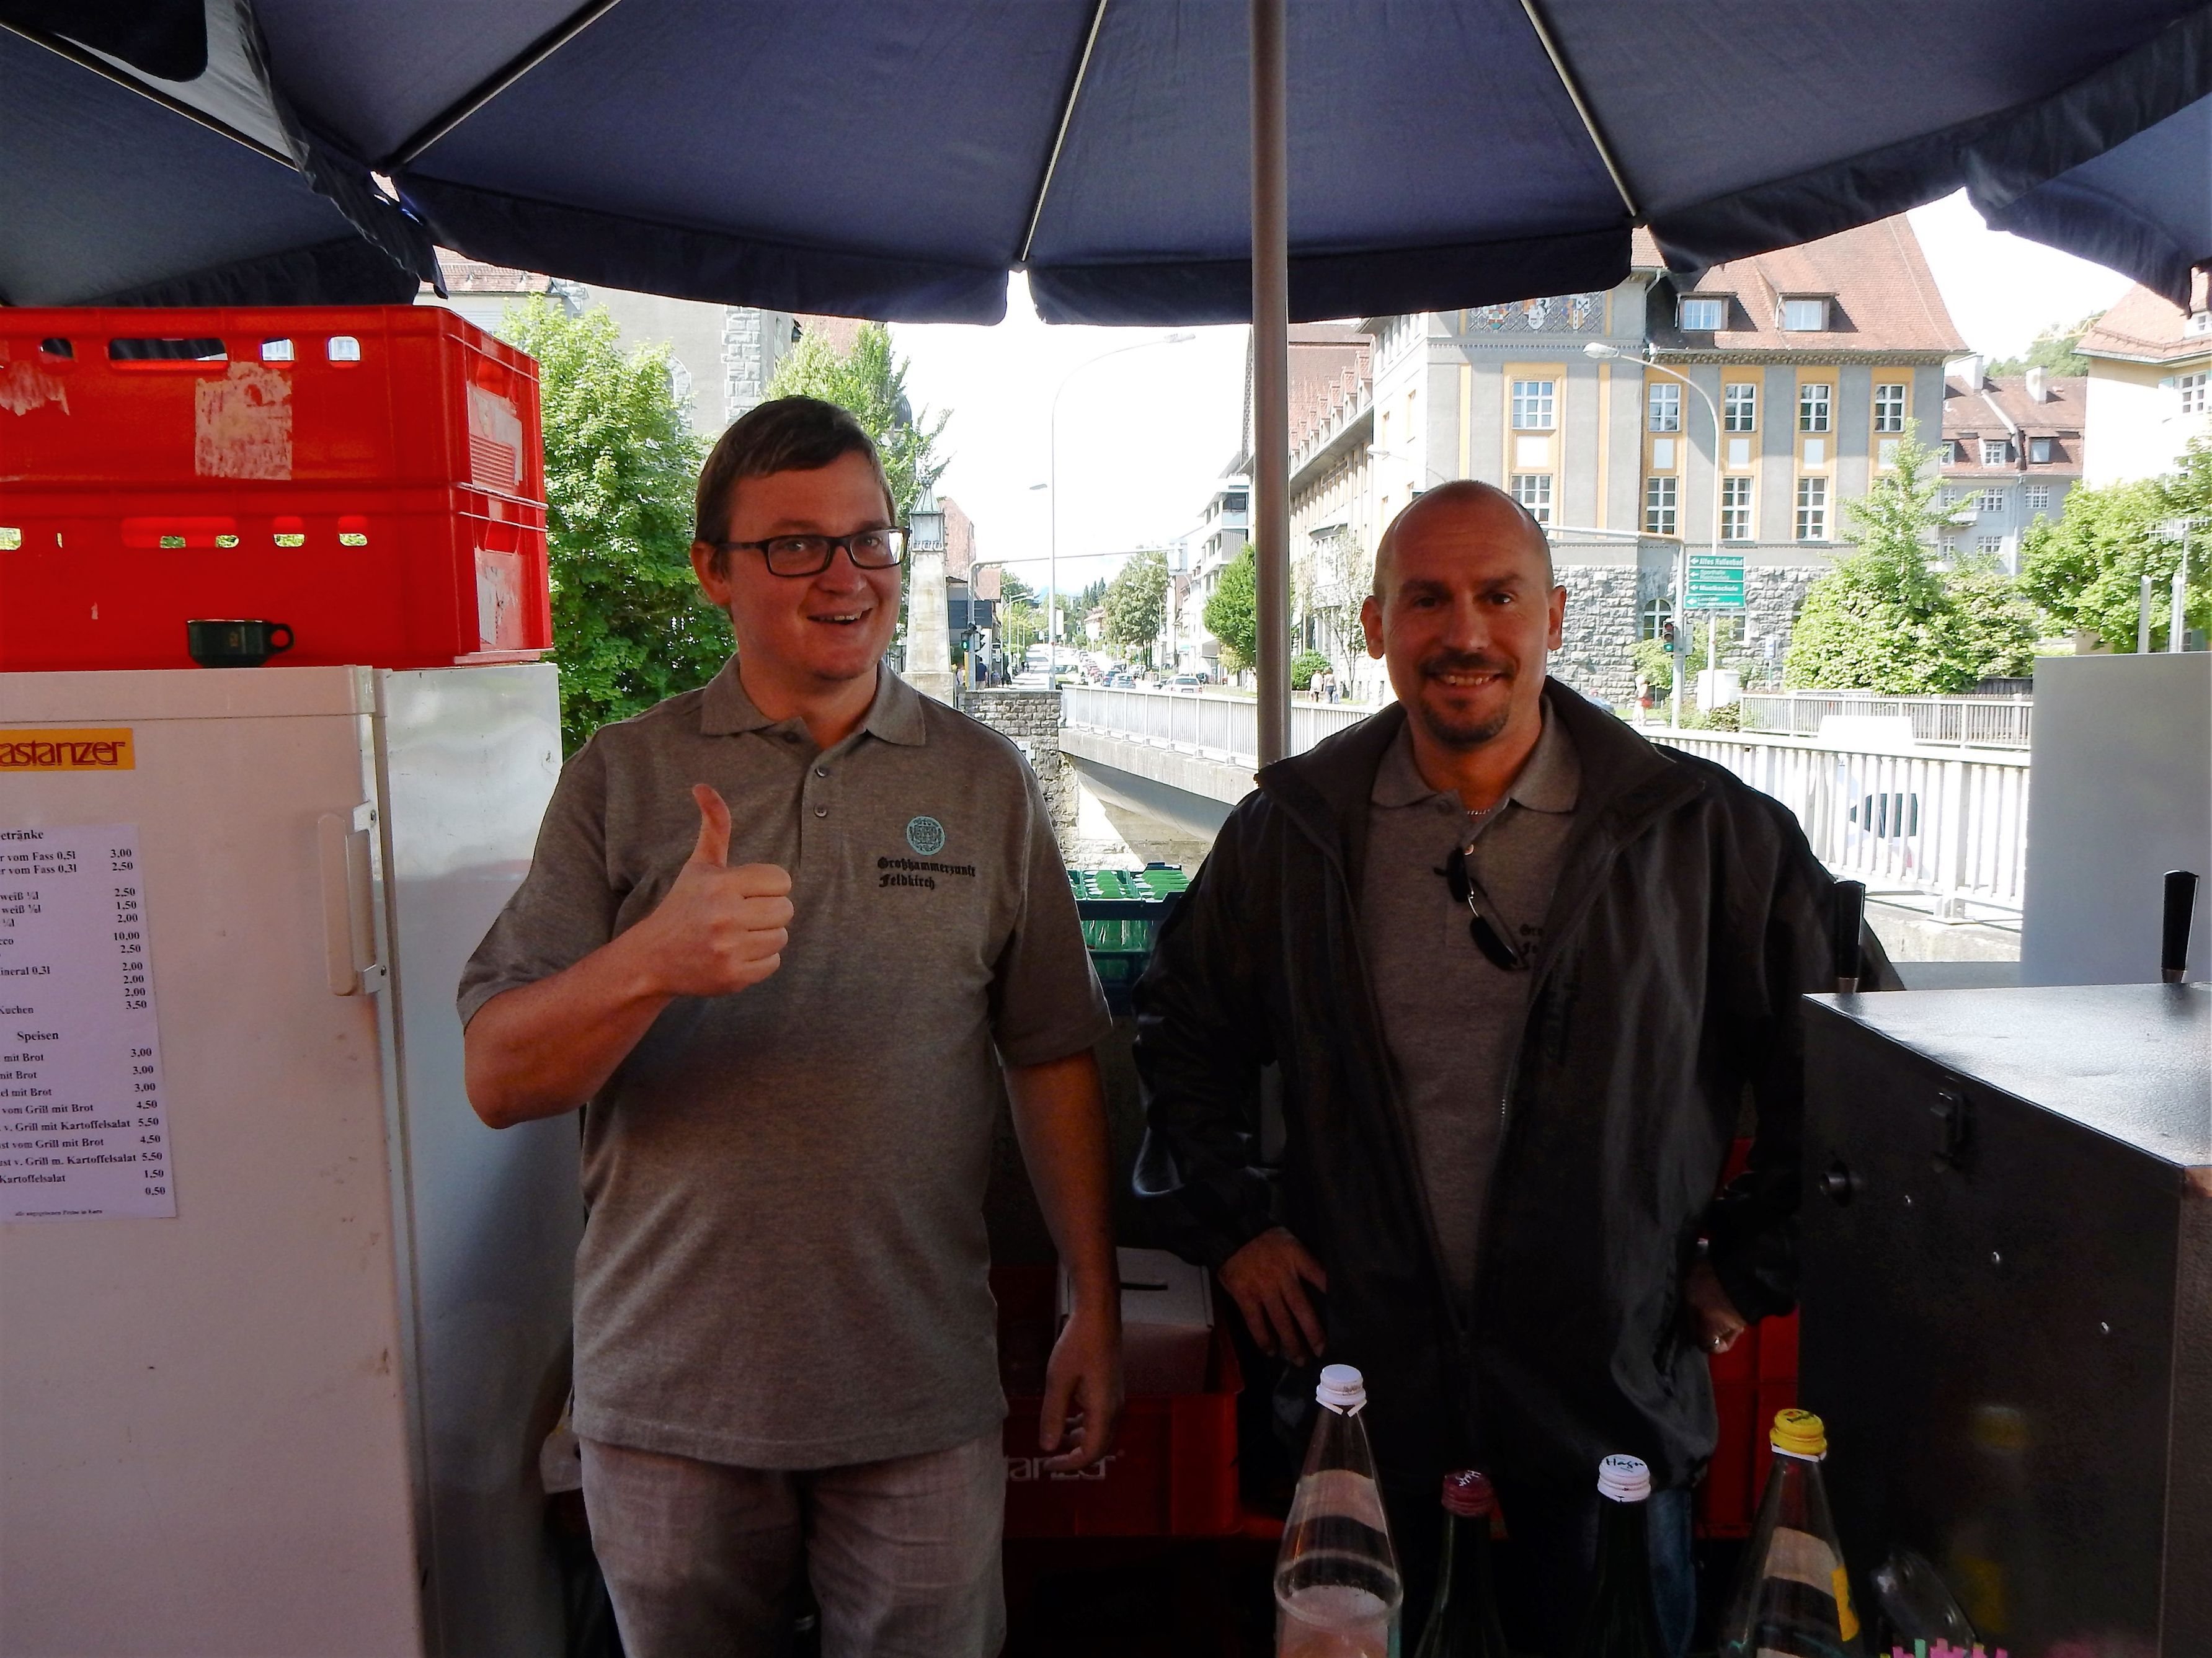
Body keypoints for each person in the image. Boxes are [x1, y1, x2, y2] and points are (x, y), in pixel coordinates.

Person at [1131, 481, 1889, 1657]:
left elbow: (1860, 1066)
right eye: (1427, 599)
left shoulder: (1700, 833)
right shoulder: (1294, 832)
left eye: (1499, 596)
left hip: (1607, 1403)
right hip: (1365, 1395)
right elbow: (1180, 1028)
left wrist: (1751, 1263)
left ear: (1555, 617)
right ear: (1376, 626)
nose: (1466, 632)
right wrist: (1235, 1223)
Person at [460, 396, 1122, 1658]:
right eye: (795, 544)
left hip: (917, 1391)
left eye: (868, 539)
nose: (845, 575)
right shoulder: (622, 774)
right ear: (712, 569)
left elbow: (1048, 1051)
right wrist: (651, 962)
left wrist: (1090, 1298)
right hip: (668, 1402)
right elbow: (499, 1075)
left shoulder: (983, 779)